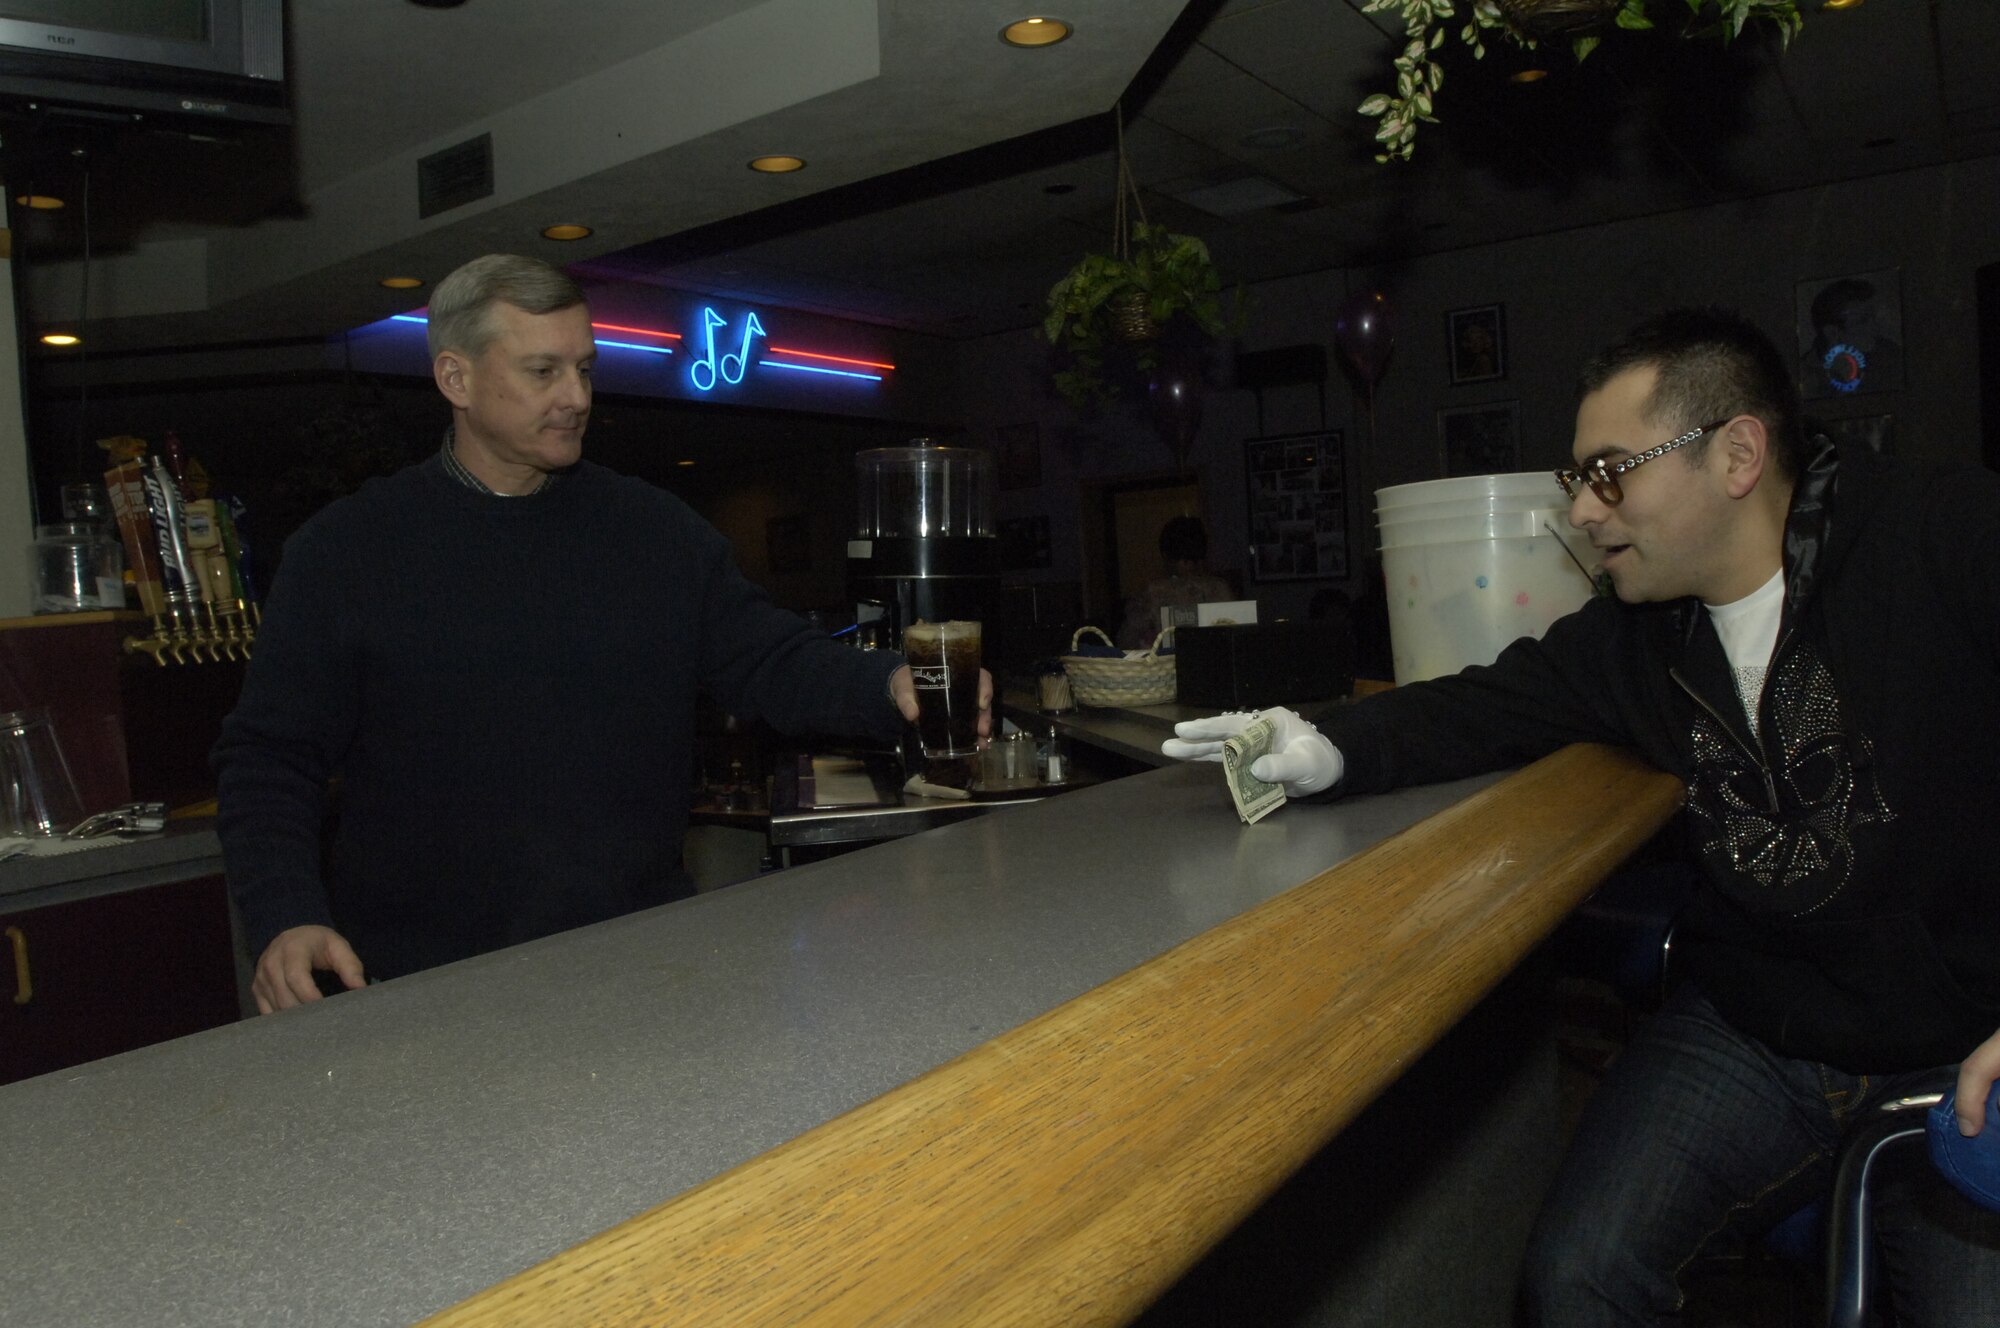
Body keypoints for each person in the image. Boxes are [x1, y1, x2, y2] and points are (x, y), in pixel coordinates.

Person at [1165, 307, 2000, 1322]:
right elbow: (1483, 703)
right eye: (1576, 478)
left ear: (1736, 452)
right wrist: (1323, 746)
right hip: (1757, 1021)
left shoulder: (1939, 533)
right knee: (1574, 1277)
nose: (1583, 510)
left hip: (1959, 1028)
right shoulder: (1634, 634)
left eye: (1609, 470)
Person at [213, 254, 989, 1012]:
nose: (576, 396)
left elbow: (770, 659)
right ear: (455, 378)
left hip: (641, 962)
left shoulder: (651, 531)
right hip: (428, 984)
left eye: (584, 368)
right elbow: (270, 756)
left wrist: (891, 684)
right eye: (543, 371)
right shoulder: (348, 551)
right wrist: (285, 913)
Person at [1118, 514, 1234, 648]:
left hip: (1170, 666)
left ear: (1165, 555)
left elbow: (1126, 642)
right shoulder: (1221, 589)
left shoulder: (1154, 593)